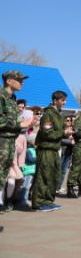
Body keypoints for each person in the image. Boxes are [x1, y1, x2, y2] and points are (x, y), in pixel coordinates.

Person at [1, 72, 38, 221]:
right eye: (19, 80)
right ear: (9, 81)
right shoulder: (1, 97)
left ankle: (5, 202)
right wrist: (20, 124)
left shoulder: (12, 99)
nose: (22, 83)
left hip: (10, 142)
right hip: (1, 141)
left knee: (6, 175)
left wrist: (25, 125)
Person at [32, 90, 70, 212]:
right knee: (43, 176)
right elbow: (47, 132)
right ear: (55, 100)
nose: (64, 103)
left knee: (54, 176)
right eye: (62, 100)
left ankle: (48, 201)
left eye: (65, 100)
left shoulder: (58, 114)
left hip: (54, 149)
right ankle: (39, 202)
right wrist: (63, 133)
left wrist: (65, 133)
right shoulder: (48, 114)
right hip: (46, 149)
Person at [57, 115, 75, 193]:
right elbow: (59, 140)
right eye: (67, 120)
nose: (69, 122)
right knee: (58, 170)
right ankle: (54, 187)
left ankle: (59, 187)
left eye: (70, 121)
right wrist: (70, 141)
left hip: (68, 152)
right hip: (61, 151)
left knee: (64, 171)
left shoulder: (72, 130)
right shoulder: (61, 129)